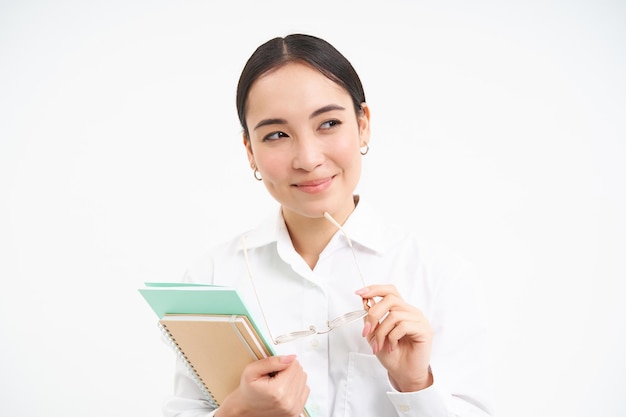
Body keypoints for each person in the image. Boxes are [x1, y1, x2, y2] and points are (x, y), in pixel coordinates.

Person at [163, 33, 495, 417]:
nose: (307, 158)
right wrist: (238, 412)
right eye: (276, 135)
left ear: (363, 125)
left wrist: (415, 384)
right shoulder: (209, 279)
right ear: (250, 151)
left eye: (328, 123)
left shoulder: (439, 276)